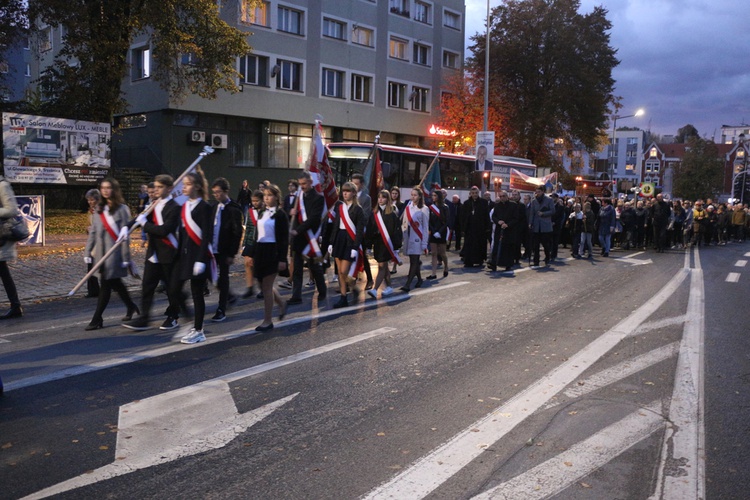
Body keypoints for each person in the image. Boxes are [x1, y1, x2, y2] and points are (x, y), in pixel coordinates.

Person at [122, 174, 184, 331]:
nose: (156, 190)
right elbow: (139, 218)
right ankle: (144, 318)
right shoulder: (153, 204)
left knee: (171, 288)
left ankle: (173, 316)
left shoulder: (175, 207)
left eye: (160, 187)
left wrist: (145, 225)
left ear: (169, 189)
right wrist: (127, 227)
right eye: (155, 187)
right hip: (154, 253)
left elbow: (164, 230)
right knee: (147, 286)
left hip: (169, 252)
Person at [84, 177, 139, 330]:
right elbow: (93, 233)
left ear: (114, 190)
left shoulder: (122, 209)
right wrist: (88, 252)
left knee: (106, 285)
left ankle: (96, 319)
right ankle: (131, 305)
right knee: (116, 283)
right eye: (103, 188)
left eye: (108, 188)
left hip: (115, 254)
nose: (105, 191)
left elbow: (124, 236)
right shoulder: (99, 209)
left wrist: (126, 257)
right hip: (101, 254)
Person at [170, 169, 214, 344]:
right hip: (184, 256)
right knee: (173, 289)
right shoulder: (184, 207)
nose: (184, 188)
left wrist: (201, 259)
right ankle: (189, 322)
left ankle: (198, 330)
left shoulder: (205, 208)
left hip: (198, 257)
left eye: (187, 184)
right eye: (184, 185)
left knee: (197, 293)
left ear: (196, 187)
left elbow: (206, 235)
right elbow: (182, 233)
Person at [250, 184, 289, 331]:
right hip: (260, 251)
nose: (266, 198)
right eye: (265, 195)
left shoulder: (281, 215)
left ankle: (267, 320)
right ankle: (281, 303)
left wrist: (282, 259)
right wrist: (252, 253)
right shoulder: (261, 213)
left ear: (277, 197)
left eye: (270, 195)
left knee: (266, 287)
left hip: (272, 251)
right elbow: (257, 234)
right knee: (262, 284)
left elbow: (284, 239)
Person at [288, 171, 328, 305]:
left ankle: (322, 291)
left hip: (310, 238)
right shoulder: (298, 198)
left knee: (314, 267)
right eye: (300, 184)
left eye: (304, 183)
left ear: (311, 182)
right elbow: (291, 215)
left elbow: (314, 219)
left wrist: (297, 231)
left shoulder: (318, 198)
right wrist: (291, 212)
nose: (302, 186)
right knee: (297, 269)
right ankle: (296, 296)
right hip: (298, 239)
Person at [209, 178, 244, 322]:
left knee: (223, 278)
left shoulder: (233, 209)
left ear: (226, 192)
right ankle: (229, 295)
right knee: (210, 275)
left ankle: (221, 308)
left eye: (219, 192)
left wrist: (232, 253)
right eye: (214, 193)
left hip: (224, 250)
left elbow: (237, 233)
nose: (217, 195)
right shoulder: (214, 208)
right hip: (212, 249)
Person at [329, 182, 366, 308]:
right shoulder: (340, 207)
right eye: (343, 191)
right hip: (339, 239)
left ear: (354, 193)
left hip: (350, 241)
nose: (345, 193)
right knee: (340, 271)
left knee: (344, 271)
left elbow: (360, 230)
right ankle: (343, 297)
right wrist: (331, 242)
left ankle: (354, 288)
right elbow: (335, 226)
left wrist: (355, 247)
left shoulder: (358, 210)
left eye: (348, 191)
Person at [367, 190, 402, 298]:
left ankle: (375, 289)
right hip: (378, 244)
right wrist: (368, 245)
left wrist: (396, 246)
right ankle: (389, 286)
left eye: (383, 197)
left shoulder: (392, 213)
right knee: (384, 266)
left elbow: (396, 231)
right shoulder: (374, 213)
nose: (381, 199)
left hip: (387, 244)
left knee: (381, 266)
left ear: (388, 199)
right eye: (379, 197)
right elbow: (369, 229)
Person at [0, 175, 23, 320]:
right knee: (4, 273)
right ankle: (15, 306)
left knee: (3, 272)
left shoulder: (2, 186)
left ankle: (16, 306)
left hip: (1, 236)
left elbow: (12, 210)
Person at [400, 187, 429, 291]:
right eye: (412, 195)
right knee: (413, 260)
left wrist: (424, 243)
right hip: (409, 236)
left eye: (415, 195)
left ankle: (408, 284)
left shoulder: (424, 209)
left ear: (420, 196)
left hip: (418, 238)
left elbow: (425, 227)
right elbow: (404, 223)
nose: (413, 197)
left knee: (414, 261)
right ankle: (420, 279)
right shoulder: (408, 207)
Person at [351, 173, 374, 289]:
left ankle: (370, 279)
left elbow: (365, 216)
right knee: (350, 256)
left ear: (362, 185)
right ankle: (351, 281)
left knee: (362, 256)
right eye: (352, 183)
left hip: (360, 231)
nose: (354, 186)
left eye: (356, 184)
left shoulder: (366, 198)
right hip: (349, 230)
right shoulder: (348, 196)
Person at [241, 190, 264, 299]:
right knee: (247, 263)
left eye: (257, 200)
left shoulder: (266, 212)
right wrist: (244, 244)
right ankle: (250, 288)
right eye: (253, 201)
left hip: (261, 243)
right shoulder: (249, 212)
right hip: (250, 241)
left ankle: (263, 288)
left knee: (258, 267)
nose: (255, 203)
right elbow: (248, 228)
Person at [459, 186, 490, 267]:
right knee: (469, 245)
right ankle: (469, 261)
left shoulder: (484, 202)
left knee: (480, 244)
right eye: (473, 193)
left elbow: (486, 215)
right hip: (469, 228)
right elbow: (463, 216)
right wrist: (463, 228)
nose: (474, 195)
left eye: (476, 193)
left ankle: (479, 260)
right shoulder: (466, 203)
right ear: (470, 194)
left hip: (480, 228)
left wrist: (487, 227)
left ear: (478, 193)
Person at [488, 190, 518, 271]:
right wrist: (498, 221)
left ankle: (508, 264)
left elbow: (516, 218)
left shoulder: (513, 205)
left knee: (508, 248)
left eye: (503, 196)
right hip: (499, 228)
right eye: (500, 196)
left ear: (507, 196)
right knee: (497, 247)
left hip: (509, 230)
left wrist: (507, 224)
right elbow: (493, 216)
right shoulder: (497, 206)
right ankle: (494, 263)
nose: (502, 198)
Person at [528, 186, 555, 267]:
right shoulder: (534, 201)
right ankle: (536, 260)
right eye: (536, 192)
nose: (537, 193)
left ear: (543, 191)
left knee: (545, 244)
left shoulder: (549, 200)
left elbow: (553, 211)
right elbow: (531, 213)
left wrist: (544, 214)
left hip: (545, 226)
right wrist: (530, 223)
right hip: (536, 226)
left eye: (539, 191)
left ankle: (547, 257)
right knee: (536, 245)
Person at [426, 190, 449, 279]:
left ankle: (446, 266)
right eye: (432, 195)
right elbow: (429, 221)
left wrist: (439, 232)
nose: (433, 197)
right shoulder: (430, 207)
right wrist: (433, 231)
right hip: (433, 232)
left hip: (442, 232)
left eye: (435, 195)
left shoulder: (445, 207)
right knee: (434, 253)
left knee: (442, 253)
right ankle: (433, 273)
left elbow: (446, 221)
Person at [84, 188, 101, 298]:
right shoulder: (90, 212)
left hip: (101, 242)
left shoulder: (102, 210)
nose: (90, 202)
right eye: (88, 200)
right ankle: (93, 290)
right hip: (92, 242)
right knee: (90, 266)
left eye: (92, 200)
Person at [389, 186, 405, 274]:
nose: (394, 195)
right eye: (393, 193)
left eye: (396, 194)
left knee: (396, 249)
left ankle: (394, 267)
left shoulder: (401, 204)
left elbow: (401, 217)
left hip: (397, 228)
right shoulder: (387, 203)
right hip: (388, 228)